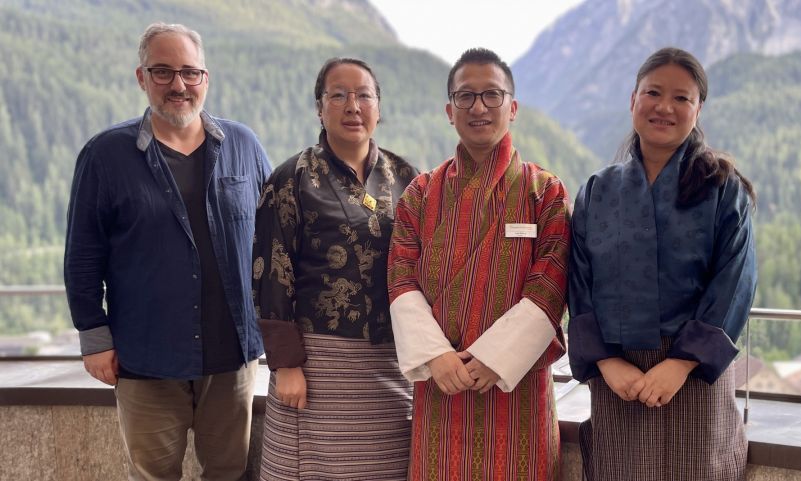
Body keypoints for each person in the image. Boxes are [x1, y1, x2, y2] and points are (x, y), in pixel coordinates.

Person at [64, 23, 270, 480]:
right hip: (145, 355)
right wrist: (94, 335)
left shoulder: (243, 145)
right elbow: (82, 254)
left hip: (233, 353)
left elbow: (273, 243)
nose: (179, 85)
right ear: (142, 78)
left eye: (190, 73)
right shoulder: (105, 155)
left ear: (205, 78)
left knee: (230, 472)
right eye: (163, 72)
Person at [567, 47, 758, 481]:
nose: (664, 107)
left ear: (698, 109)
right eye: (653, 92)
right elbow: (578, 282)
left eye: (681, 98)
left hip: (694, 377)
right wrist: (607, 363)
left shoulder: (723, 187)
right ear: (632, 99)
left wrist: (683, 362)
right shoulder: (598, 190)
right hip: (619, 379)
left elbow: (735, 280)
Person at [388, 48, 571, 481]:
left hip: (516, 388)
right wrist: (436, 357)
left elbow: (552, 282)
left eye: (492, 95)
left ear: (513, 106)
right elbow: (400, 276)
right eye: (466, 97)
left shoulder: (544, 191)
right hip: (440, 387)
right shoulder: (421, 192)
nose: (479, 107)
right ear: (450, 111)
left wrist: (497, 357)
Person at [252, 57, 417, 480]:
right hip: (317, 363)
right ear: (319, 107)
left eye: (364, 95)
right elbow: (270, 270)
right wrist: (286, 365)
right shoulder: (292, 178)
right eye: (338, 95)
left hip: (390, 361)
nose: (352, 105)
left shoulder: (406, 178)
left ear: (379, 107)